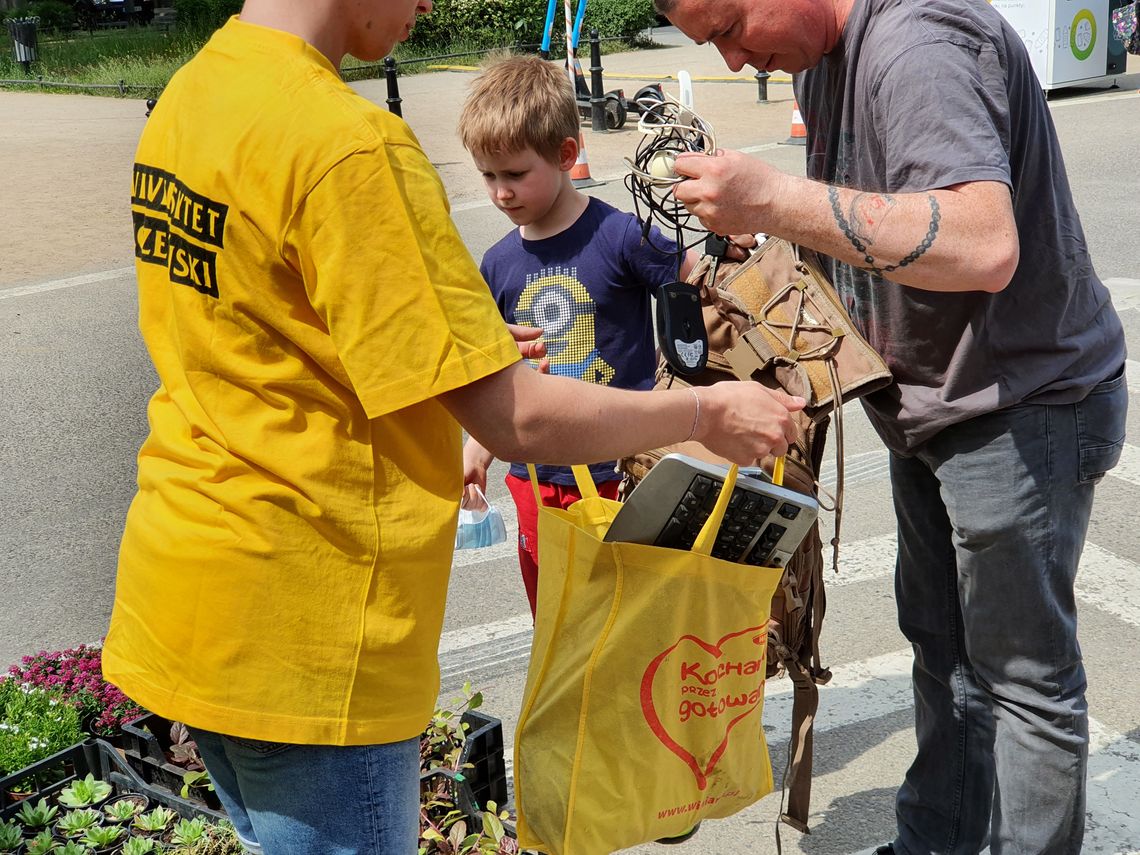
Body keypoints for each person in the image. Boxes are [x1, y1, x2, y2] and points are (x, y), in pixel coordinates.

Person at [101, 2, 806, 854]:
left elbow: (270, 327)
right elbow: (519, 416)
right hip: (313, 628)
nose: (430, 4)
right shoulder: (349, 146)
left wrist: (443, 342)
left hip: (193, 591)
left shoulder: (191, 94)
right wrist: (705, 410)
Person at [653, 0, 1128, 853]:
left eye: (727, 28)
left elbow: (984, 245)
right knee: (943, 650)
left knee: (1024, 683)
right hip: (931, 407)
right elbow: (860, 224)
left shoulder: (917, 42)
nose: (731, 62)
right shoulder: (820, 55)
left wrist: (776, 197)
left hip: (1019, 406)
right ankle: (934, 841)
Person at [456, 55, 697, 618]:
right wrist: (479, 446)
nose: (501, 193)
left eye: (515, 174)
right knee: (557, 619)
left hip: (622, 468)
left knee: (627, 616)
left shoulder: (622, 236)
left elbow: (698, 285)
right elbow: (501, 372)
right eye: (488, 176)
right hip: (536, 475)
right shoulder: (497, 263)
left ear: (567, 155)